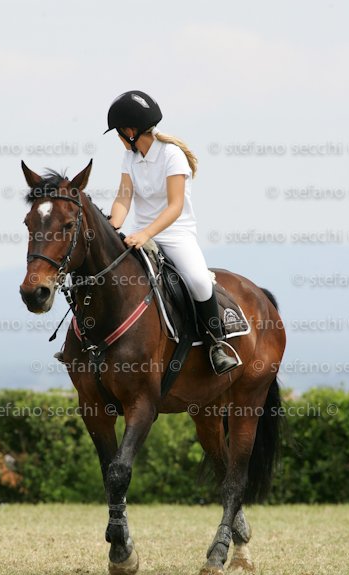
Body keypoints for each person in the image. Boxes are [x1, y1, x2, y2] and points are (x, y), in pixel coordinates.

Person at [105, 90, 238, 375]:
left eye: (118, 132)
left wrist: (146, 234)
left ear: (130, 131)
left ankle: (217, 344)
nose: (118, 138)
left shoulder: (171, 155)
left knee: (199, 281)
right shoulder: (130, 158)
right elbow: (123, 197)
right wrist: (113, 226)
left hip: (175, 234)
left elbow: (175, 206)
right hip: (140, 235)